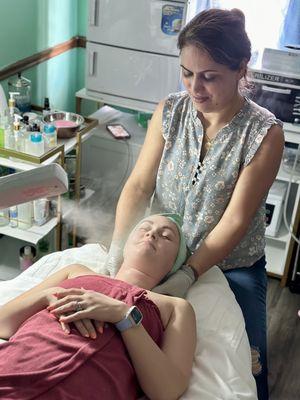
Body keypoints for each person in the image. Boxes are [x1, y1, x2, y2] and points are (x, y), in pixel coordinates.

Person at [104, 8, 284, 400]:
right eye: (186, 73)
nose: (195, 88)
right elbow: (138, 187)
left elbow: (236, 220)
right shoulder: (171, 111)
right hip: (161, 251)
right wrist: (118, 248)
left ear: (241, 69)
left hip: (231, 262)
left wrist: (188, 273)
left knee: (250, 371)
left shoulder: (264, 133)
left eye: (209, 77)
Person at [0, 214, 196, 400]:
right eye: (144, 228)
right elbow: (3, 324)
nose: (151, 234)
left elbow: (168, 390)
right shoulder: (75, 272)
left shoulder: (175, 308)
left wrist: (124, 317)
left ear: (174, 264)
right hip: (11, 370)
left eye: (166, 236)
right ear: (124, 245)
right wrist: (45, 296)